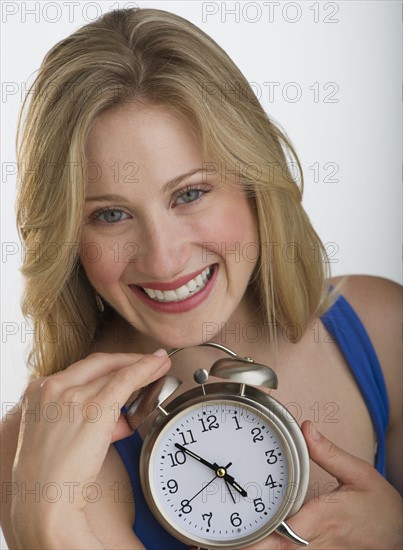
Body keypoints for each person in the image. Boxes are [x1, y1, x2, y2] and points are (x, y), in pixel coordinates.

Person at [0, 7, 401, 549]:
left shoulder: (384, 331)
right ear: (69, 237)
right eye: (110, 215)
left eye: (189, 194)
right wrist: (47, 530)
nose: (163, 261)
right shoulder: (45, 448)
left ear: (254, 182)